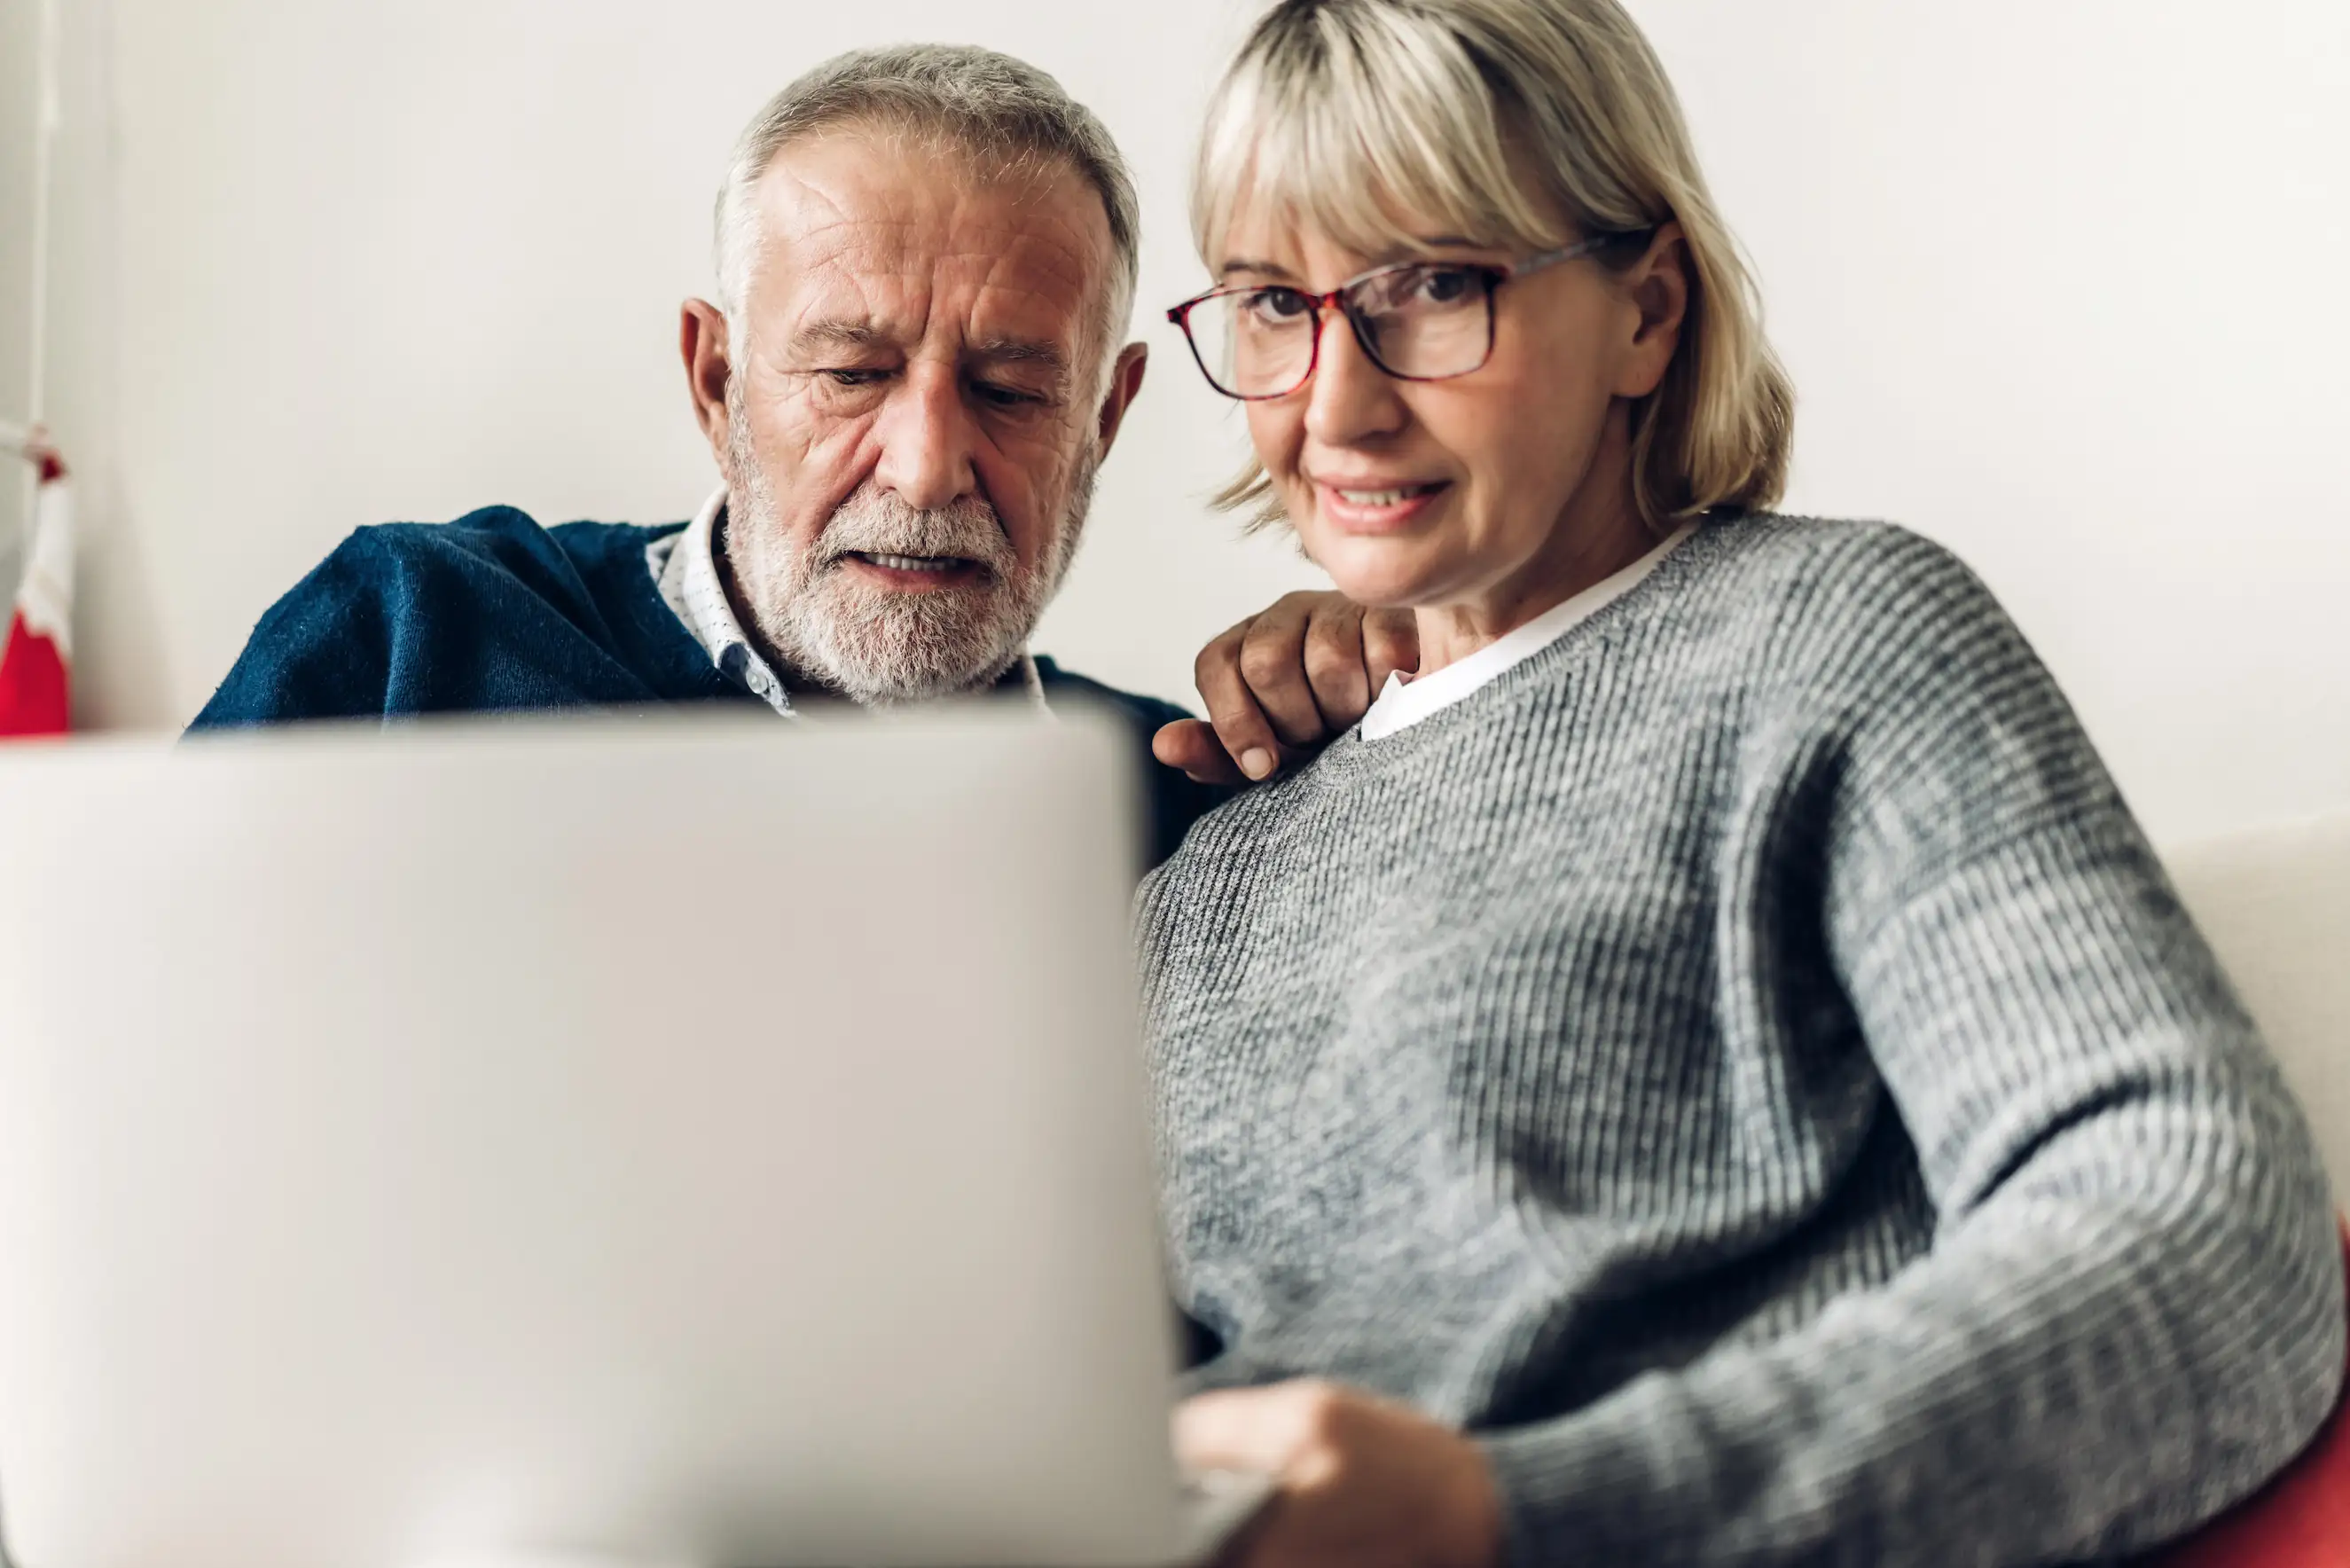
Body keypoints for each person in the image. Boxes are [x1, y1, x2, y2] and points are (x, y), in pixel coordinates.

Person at [1139, 3, 2346, 1564]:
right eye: (1269, 306)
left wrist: (1520, 1524)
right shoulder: (1203, 875)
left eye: (1435, 289)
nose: (1337, 403)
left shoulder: (1835, 640)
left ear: (1647, 308)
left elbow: (2206, 1239)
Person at [189, 44, 1414, 864]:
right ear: (715, 382)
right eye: (850, 374)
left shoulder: (1188, 803)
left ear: (1103, 417)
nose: (927, 467)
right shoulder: (417, 636)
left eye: (1010, 389)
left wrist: (1383, 723)